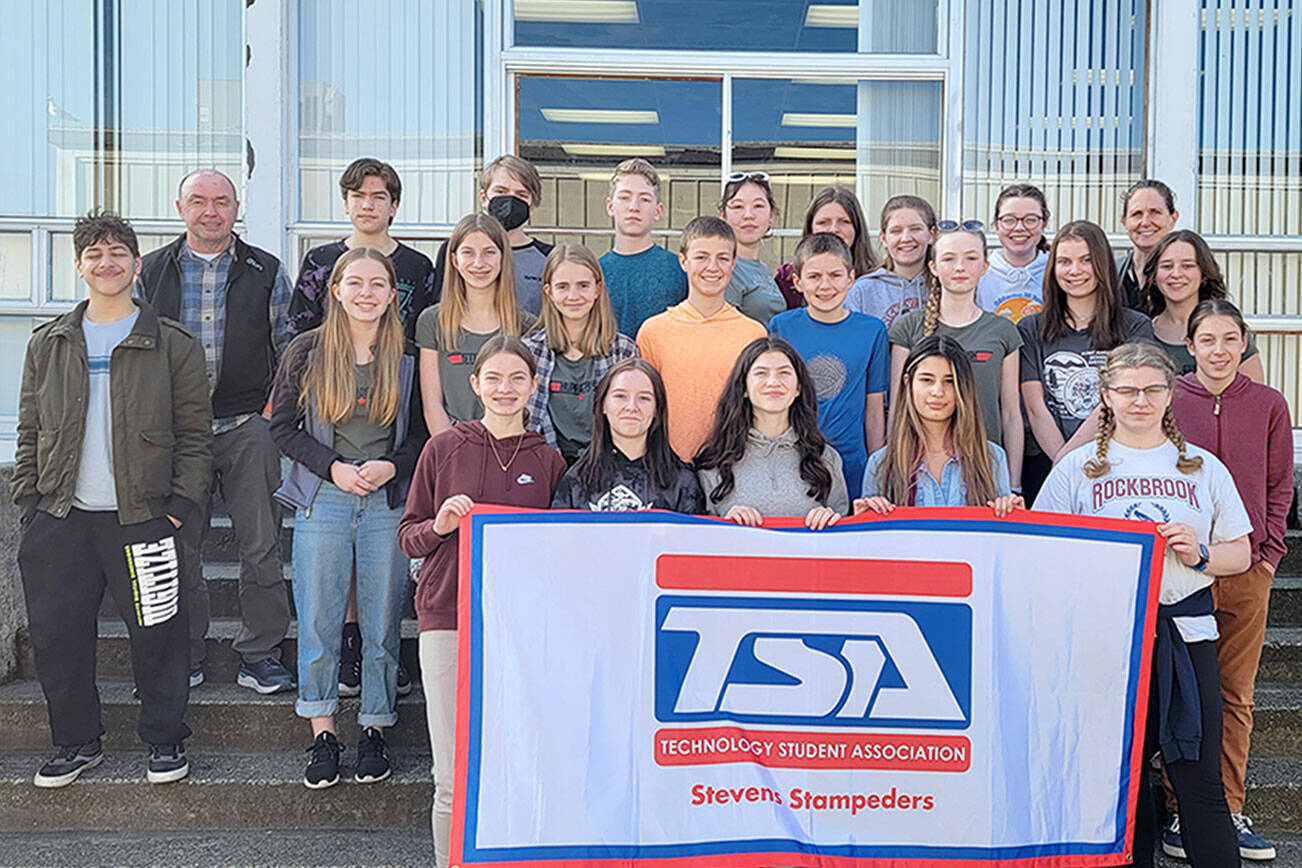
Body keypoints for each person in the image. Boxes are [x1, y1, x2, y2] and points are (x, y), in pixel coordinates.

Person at [1035, 342, 1251, 868]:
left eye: (1152, 389)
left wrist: (1199, 553)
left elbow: (1240, 552)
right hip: (1108, 637)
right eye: (1127, 390)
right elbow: (1042, 551)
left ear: (1170, 394)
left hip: (1186, 634)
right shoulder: (1076, 469)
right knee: (1120, 781)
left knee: (1198, 779)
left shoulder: (1202, 468)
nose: (1140, 400)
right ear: (1105, 397)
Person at [15, 211, 210, 787]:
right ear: (79, 266)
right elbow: (30, 428)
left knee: (159, 633)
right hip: (60, 517)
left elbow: (196, 435)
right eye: (94, 254)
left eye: (117, 252)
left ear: (136, 262)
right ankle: (77, 742)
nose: (107, 263)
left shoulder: (172, 343)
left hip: (144, 517)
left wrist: (176, 508)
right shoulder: (48, 342)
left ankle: (165, 740)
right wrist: (30, 499)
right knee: (59, 638)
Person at [398, 336, 567, 868]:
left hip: (520, 629)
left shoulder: (550, 461)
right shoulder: (444, 448)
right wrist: (440, 525)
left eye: (517, 378)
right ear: (475, 385)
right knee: (450, 774)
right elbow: (407, 534)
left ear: (534, 387)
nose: (505, 389)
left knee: (515, 763)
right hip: (448, 617)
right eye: (493, 378)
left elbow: (561, 552)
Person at [269, 247, 428, 789]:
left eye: (377, 284)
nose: (366, 292)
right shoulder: (306, 351)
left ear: (391, 294)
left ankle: (375, 729)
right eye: (354, 282)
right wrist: (333, 467)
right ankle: (322, 731)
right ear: (335, 290)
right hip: (325, 498)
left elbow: (420, 436)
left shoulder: (406, 356)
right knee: (318, 619)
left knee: (383, 624)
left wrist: (391, 464)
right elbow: (283, 428)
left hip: (386, 501)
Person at [136, 168, 295, 695]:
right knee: (179, 546)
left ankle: (261, 653)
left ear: (236, 207)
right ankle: (185, 652)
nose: (211, 211)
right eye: (199, 201)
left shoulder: (265, 270)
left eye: (222, 201)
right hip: (176, 434)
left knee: (261, 544)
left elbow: (289, 350)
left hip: (247, 425)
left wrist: (273, 412)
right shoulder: (151, 271)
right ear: (179, 207)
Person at [1163, 299, 1292, 862]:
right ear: (1190, 347)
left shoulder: (1267, 404)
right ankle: (1173, 812)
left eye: (1229, 340)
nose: (1219, 350)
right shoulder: (1168, 400)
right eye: (1207, 340)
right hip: (1178, 572)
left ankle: (1230, 808)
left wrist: (1268, 555)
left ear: (1244, 345)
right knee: (1172, 692)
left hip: (1245, 568)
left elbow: (1280, 483)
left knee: (1234, 693)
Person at [1018, 221, 1154, 502]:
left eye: (1086, 261)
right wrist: (1061, 464)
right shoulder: (1030, 328)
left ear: (1103, 265)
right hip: (1044, 465)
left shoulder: (1135, 328)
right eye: (1064, 261)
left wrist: (1069, 460)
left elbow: (1118, 400)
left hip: (1113, 466)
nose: (1074, 271)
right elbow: (1034, 407)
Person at [887, 221, 1024, 490]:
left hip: (984, 471)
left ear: (985, 266)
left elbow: (1010, 414)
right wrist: (896, 469)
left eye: (971, 258)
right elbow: (897, 405)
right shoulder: (908, 327)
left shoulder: (1003, 331)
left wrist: (1014, 482)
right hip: (920, 473)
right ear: (933, 267)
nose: (960, 267)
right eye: (949, 258)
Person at [635, 216, 767, 461]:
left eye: (723, 258)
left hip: (732, 465)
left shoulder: (753, 333)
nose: (712, 267)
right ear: (683, 261)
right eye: (702, 257)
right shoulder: (654, 331)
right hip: (667, 466)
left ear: (734, 263)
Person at [769, 233, 888, 500]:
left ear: (851, 278)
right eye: (814, 277)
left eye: (835, 275)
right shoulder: (781, 326)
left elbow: (874, 407)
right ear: (797, 282)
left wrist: (876, 466)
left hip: (852, 462)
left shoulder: (872, 331)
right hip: (794, 458)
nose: (825, 285)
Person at [853, 335, 1019, 515]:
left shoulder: (991, 458)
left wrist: (1013, 514)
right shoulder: (881, 463)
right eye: (927, 380)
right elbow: (873, 540)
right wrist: (865, 515)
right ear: (908, 382)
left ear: (963, 387)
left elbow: (1001, 537)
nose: (938, 392)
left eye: (949, 381)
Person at [695, 336, 849, 529]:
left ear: (798, 388)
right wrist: (724, 524)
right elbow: (698, 538)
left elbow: (844, 535)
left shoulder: (825, 458)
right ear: (744, 388)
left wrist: (831, 519)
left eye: (784, 373)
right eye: (761, 373)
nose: (773, 382)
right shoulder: (714, 460)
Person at [285, 157, 436, 341]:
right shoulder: (319, 261)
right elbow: (297, 330)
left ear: (394, 207)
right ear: (346, 204)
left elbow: (429, 335)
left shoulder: (418, 266)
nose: (367, 205)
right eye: (358, 196)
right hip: (331, 366)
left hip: (399, 367)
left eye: (378, 197)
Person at [415, 213, 536, 434]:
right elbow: (432, 404)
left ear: (503, 258)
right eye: (468, 253)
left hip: (509, 442)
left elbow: (529, 403)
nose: (478, 263)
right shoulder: (432, 321)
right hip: (452, 445)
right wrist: (451, 452)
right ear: (454, 260)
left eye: (489, 252)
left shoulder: (527, 326)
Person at [522, 244, 639, 464]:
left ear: (597, 289)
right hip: (544, 463)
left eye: (583, 285)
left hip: (607, 465)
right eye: (563, 286)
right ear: (549, 292)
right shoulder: (529, 352)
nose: (573, 296)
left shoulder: (623, 351)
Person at [551, 358, 704, 512]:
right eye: (620, 396)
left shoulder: (682, 482)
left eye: (644, 398)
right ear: (603, 404)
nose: (631, 407)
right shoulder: (577, 479)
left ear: (657, 409)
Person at [430, 155, 553, 316]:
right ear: (484, 198)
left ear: (532, 205)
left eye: (521, 195)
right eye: (501, 191)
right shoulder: (454, 249)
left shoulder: (548, 257)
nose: (510, 200)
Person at [1145, 229, 1265, 382]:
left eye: (1187, 266)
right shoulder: (1143, 332)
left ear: (1204, 274)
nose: (1176, 274)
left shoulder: (1227, 328)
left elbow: (1255, 395)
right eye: (1167, 266)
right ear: (1154, 276)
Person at [600, 158, 689, 337]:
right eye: (625, 197)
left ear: (658, 211)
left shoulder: (680, 269)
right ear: (610, 206)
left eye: (645, 199)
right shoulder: (594, 273)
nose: (634, 207)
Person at [773, 186, 878, 309]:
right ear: (810, 228)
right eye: (823, 222)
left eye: (844, 221)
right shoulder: (786, 280)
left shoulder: (876, 281)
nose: (834, 229)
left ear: (857, 228)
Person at [845, 195, 937, 328]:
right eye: (896, 231)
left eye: (915, 229)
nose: (906, 238)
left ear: (931, 234)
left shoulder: (945, 286)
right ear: (883, 238)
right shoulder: (861, 292)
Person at [717, 171, 786, 325]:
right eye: (738, 207)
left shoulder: (763, 269)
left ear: (771, 216)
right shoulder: (724, 269)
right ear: (723, 216)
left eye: (758, 206)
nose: (748, 215)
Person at [976, 183, 1050, 323]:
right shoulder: (979, 273)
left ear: (1043, 225)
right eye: (1009, 220)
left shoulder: (1057, 271)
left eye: (1030, 220)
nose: (1019, 228)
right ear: (997, 226)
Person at [1117, 179, 1179, 310]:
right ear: (1124, 221)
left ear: (1173, 219)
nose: (1145, 222)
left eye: (1155, 212)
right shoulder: (1111, 275)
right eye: (1137, 214)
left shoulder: (1186, 276)